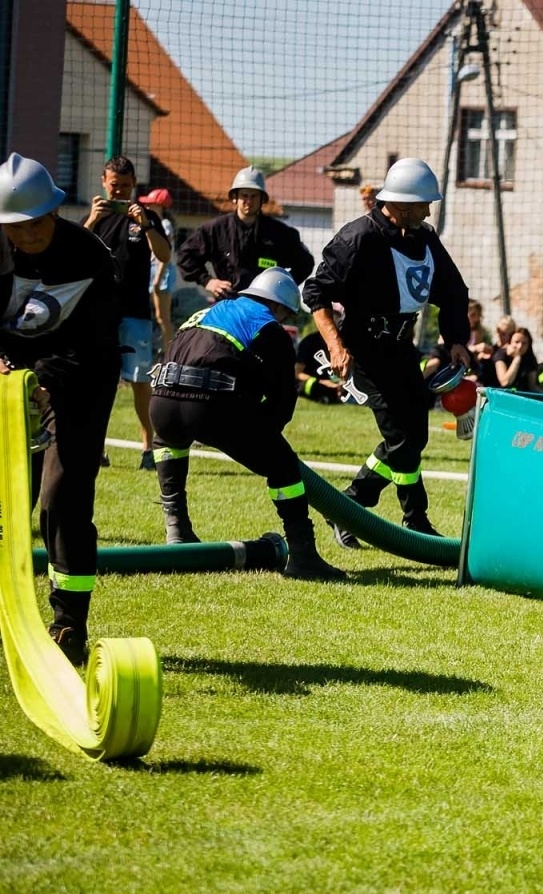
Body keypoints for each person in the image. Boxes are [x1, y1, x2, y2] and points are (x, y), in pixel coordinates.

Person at [302, 158, 470, 545]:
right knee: (402, 436)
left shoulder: (424, 238)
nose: (429, 211)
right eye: (424, 204)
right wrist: (335, 344)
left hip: (400, 348)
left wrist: (456, 339)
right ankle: (415, 519)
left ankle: (348, 506)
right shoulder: (357, 238)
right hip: (362, 351)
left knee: (414, 435)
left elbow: (453, 291)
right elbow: (316, 294)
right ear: (402, 204)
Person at [0, 153, 122, 665]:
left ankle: (69, 622)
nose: (25, 236)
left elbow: (96, 344)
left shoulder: (90, 257)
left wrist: (46, 382)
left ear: (53, 213)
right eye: (14, 228)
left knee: (62, 495)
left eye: (33, 225)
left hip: (79, 379)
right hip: (10, 376)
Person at [148, 269, 344, 579]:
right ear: (279, 307)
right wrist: (267, 438)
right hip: (209, 406)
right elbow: (282, 400)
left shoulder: (204, 313)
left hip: (160, 403)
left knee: (167, 443)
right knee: (283, 467)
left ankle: (177, 529)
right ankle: (303, 555)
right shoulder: (268, 327)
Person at [83, 156, 170, 470]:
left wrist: (145, 224)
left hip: (135, 311)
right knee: (98, 381)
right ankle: (96, 447)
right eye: (113, 185)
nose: (118, 192)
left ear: (134, 184)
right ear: (103, 182)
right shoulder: (95, 216)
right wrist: (92, 220)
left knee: (139, 382)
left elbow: (164, 255)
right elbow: (74, 252)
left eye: (124, 186)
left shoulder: (145, 216)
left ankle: (148, 447)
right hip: (99, 312)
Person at [176, 166, 314, 300]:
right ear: (235, 198)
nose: (249, 201)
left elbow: (305, 263)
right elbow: (185, 256)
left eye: (254, 196)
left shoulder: (280, 233)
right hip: (227, 303)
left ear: (262, 199)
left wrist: (281, 288)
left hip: (263, 307)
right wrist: (207, 281)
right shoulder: (215, 230)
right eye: (244, 196)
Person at [140, 188, 177, 356]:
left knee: (163, 317)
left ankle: (172, 353)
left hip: (162, 273)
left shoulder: (165, 225)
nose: (147, 206)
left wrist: (157, 279)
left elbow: (165, 256)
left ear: (160, 205)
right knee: (157, 315)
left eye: (151, 203)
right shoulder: (156, 224)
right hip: (155, 271)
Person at [293, 310, 345, 404]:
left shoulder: (343, 342)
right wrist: (323, 382)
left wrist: (341, 383)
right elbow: (297, 373)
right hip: (316, 383)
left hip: (338, 383)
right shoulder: (309, 342)